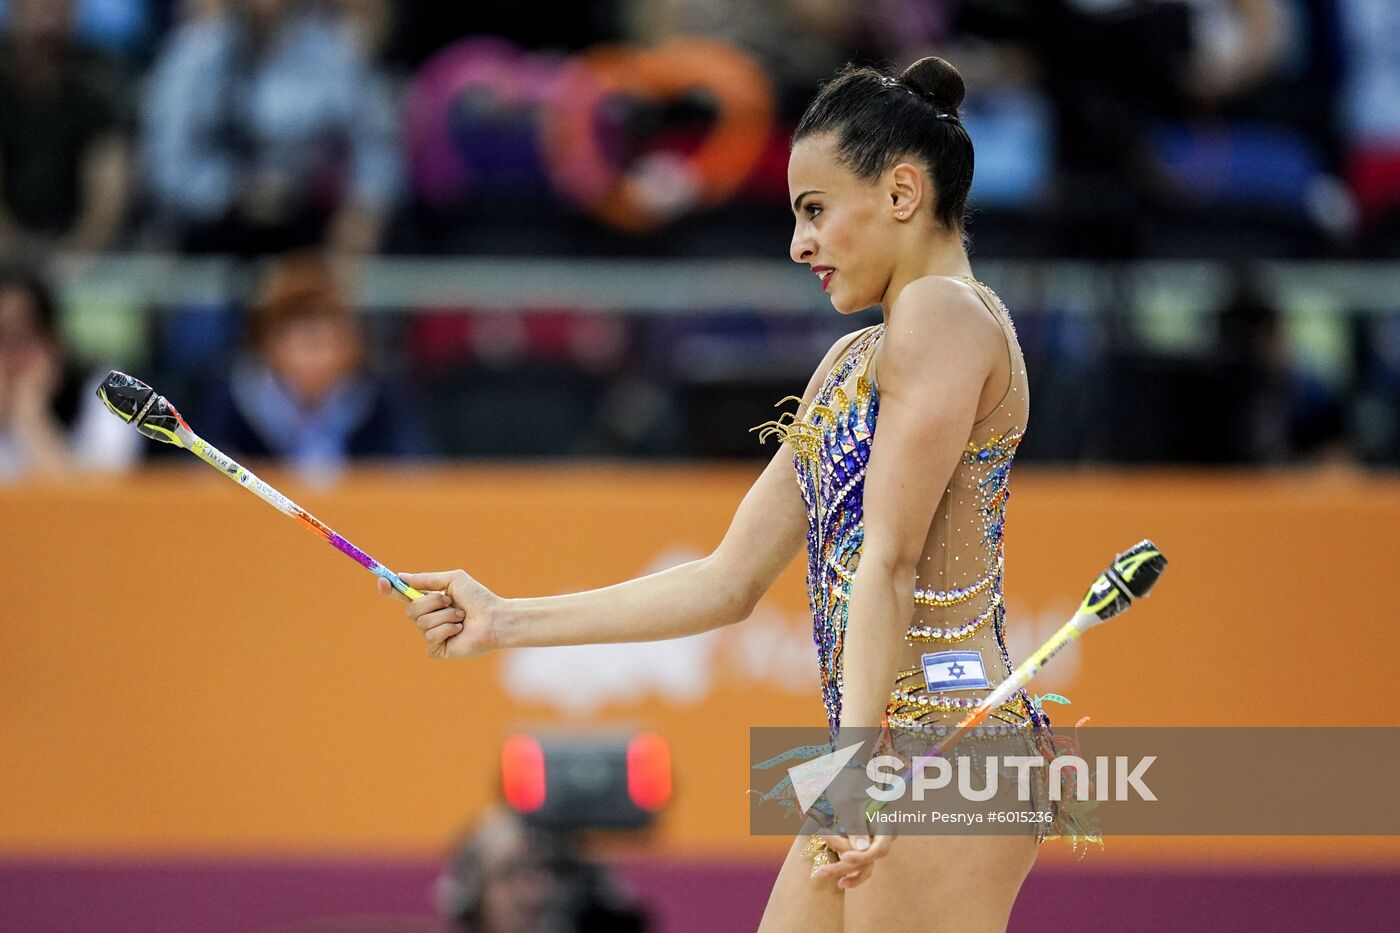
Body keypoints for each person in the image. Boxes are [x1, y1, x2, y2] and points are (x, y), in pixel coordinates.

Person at [381, 57, 1049, 932]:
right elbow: (727, 580)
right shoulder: (850, 365)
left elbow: (888, 557)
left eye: (814, 210)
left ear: (901, 192)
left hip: (942, 749)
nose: (798, 244)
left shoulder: (941, 315)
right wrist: (507, 618)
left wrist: (852, 772)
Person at [195, 251, 428, 468]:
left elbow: (412, 470)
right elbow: (196, 475)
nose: (315, 359)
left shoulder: (378, 396)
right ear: (270, 345)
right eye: (304, 345)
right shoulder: (237, 394)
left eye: (325, 343)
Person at [0, 266, 141, 480]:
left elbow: (95, 503)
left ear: (53, 340)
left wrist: (31, 421)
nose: (11, 358)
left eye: (21, 337)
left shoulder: (109, 391)